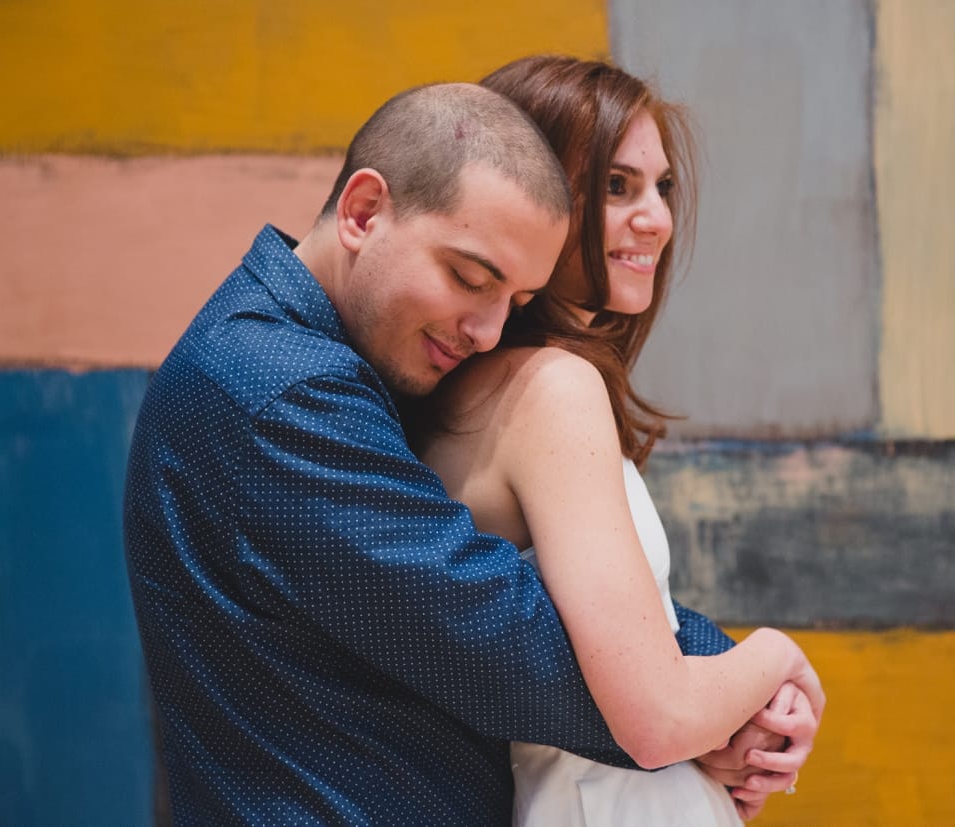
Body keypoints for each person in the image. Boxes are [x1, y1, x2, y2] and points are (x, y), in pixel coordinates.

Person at [123, 81, 818, 825]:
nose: (487, 330)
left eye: (515, 302)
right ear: (362, 212)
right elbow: (499, 636)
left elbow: (532, 606)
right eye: (469, 278)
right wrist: (734, 686)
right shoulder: (280, 389)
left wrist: (707, 690)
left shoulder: (325, 362)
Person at [410, 56, 825, 825]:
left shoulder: (500, 387)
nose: (657, 219)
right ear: (531, 194)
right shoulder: (549, 390)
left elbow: (627, 677)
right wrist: (776, 655)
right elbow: (654, 716)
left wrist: (726, 723)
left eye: (662, 186)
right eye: (616, 185)